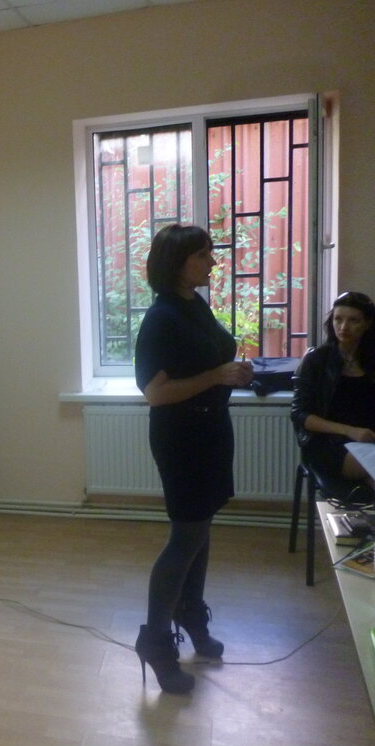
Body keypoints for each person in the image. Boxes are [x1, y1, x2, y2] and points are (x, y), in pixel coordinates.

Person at [133, 224, 253, 694]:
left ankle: (190, 613)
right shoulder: (160, 318)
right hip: (181, 439)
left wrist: (233, 373)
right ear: (177, 263)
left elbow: (207, 363)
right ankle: (155, 641)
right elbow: (155, 393)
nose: (213, 262)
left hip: (211, 431)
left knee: (200, 530)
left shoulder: (193, 305)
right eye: (203, 255)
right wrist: (217, 375)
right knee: (185, 537)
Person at [290, 291, 375, 493]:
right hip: (327, 443)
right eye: (338, 319)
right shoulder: (317, 360)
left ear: (367, 324)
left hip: (369, 440)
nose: (344, 327)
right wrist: (350, 431)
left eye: (353, 320)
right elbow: (300, 414)